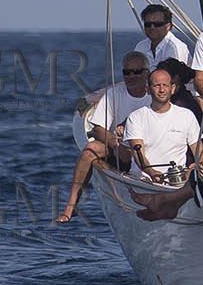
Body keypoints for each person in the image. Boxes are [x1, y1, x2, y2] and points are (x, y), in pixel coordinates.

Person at [56, 52, 152, 222]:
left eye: (137, 72)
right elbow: (97, 129)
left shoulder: (156, 96)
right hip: (121, 151)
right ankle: (71, 206)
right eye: (127, 72)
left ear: (147, 72)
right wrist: (116, 145)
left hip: (149, 151)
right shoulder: (114, 94)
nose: (131, 76)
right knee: (90, 150)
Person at [123, 68, 203, 183]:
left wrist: (198, 167)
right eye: (157, 85)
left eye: (165, 85)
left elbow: (200, 152)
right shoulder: (136, 117)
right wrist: (151, 172)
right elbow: (138, 152)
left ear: (173, 89)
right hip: (144, 180)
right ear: (148, 89)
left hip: (177, 181)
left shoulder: (186, 116)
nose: (162, 90)